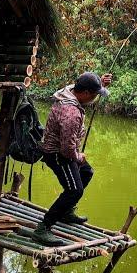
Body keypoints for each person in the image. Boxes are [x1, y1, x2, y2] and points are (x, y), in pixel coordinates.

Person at [32, 71, 113, 246]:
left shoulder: (70, 90)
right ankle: (43, 228)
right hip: (58, 154)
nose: (94, 99)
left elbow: (87, 87)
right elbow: (67, 150)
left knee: (86, 172)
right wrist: (78, 155)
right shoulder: (71, 113)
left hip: (64, 150)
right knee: (74, 190)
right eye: (94, 95)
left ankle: (66, 211)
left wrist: (100, 84)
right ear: (85, 93)